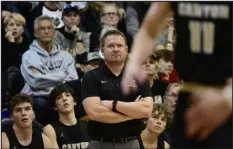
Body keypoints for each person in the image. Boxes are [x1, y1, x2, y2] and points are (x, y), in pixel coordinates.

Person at [122, 2, 232, 148]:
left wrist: (227, 97)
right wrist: (135, 62)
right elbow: (149, 30)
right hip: (188, 93)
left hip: (225, 97)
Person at [81, 29, 153, 148]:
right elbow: (95, 113)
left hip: (132, 143)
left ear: (126, 50)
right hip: (100, 144)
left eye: (119, 45)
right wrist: (133, 113)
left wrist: (113, 104)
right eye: (110, 46)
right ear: (102, 51)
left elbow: (147, 110)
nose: (115, 49)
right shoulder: (91, 77)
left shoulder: (139, 76)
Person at [21, 15, 78, 125]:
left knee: (76, 101)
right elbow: (36, 81)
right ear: (35, 33)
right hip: (39, 98)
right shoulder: (29, 56)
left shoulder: (65, 56)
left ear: (54, 32)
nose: (46, 31)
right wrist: (62, 75)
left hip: (61, 96)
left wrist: (45, 76)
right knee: (40, 104)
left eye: (49, 28)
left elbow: (72, 80)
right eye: (42, 29)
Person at [43, 84, 90, 149]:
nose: (64, 99)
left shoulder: (87, 125)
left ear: (74, 101)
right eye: (59, 98)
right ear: (55, 107)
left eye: (67, 95)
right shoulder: (50, 129)